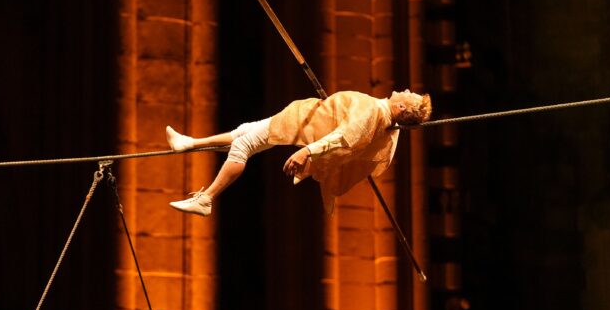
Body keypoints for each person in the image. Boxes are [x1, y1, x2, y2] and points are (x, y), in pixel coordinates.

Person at [166, 89, 432, 216]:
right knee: (244, 131)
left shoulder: (378, 113)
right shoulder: (387, 121)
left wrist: (308, 151)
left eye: (410, 95)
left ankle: (207, 199)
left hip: (301, 127)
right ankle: (188, 143)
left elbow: (344, 137)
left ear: (400, 106)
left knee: (242, 145)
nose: (407, 90)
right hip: (301, 117)